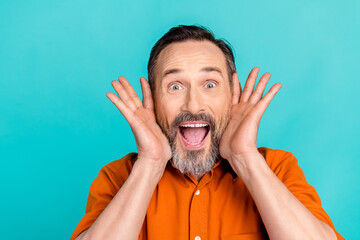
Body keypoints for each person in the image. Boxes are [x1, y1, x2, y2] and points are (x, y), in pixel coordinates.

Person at [71, 25, 344, 240]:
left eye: (210, 84)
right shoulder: (118, 178)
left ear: (231, 96)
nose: (193, 104)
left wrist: (245, 158)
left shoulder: (277, 169)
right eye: (175, 86)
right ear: (153, 101)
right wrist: (150, 164)